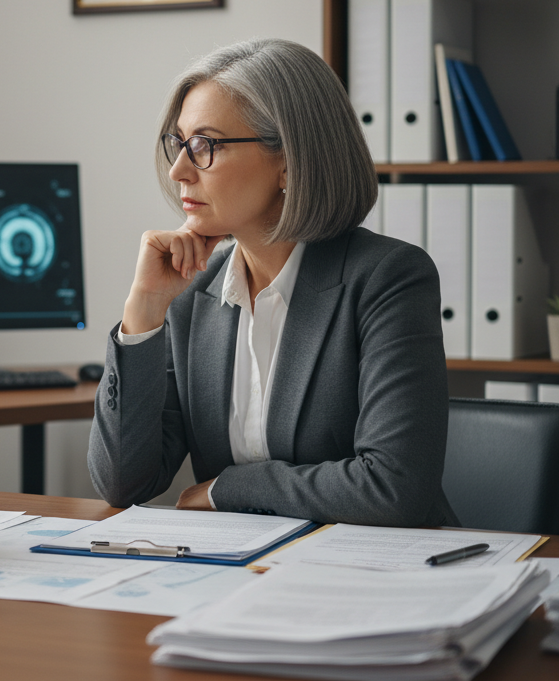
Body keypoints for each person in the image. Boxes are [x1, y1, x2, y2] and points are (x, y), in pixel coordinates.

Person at [88, 38, 459, 528]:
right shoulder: (191, 294)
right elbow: (123, 484)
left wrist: (229, 489)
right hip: (245, 572)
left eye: (205, 145)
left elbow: (393, 488)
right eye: (179, 143)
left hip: (381, 575)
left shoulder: (387, 279)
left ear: (287, 161)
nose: (179, 170)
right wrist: (143, 313)